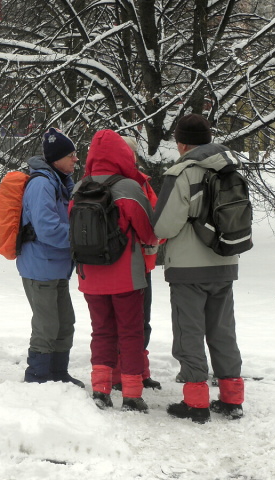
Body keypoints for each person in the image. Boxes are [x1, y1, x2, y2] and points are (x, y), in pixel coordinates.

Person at [153, 114, 245, 423]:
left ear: (181, 143)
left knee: (189, 333)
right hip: (225, 262)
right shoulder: (230, 167)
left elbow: (164, 223)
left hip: (188, 269)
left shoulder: (182, 173)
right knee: (223, 332)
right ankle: (232, 400)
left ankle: (196, 403)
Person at [77, 130, 157, 412]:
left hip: (90, 276)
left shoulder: (79, 187)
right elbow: (149, 232)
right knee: (130, 332)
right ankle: (132, 394)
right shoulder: (129, 188)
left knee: (101, 332)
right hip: (126, 276)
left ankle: (100, 389)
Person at [17, 127, 84, 388]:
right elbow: (47, 229)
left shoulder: (57, 181)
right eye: (71, 155)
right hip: (40, 266)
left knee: (65, 323)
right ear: (56, 158)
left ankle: (58, 373)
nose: (75, 159)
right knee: (46, 327)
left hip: (56, 265)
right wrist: (80, 238)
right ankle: (37, 377)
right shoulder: (42, 184)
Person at [107, 136, 162, 391]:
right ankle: (122, 374)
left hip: (143, 263)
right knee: (126, 324)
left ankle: (139, 370)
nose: (133, 158)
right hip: (129, 263)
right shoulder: (124, 185)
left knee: (142, 321)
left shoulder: (141, 182)